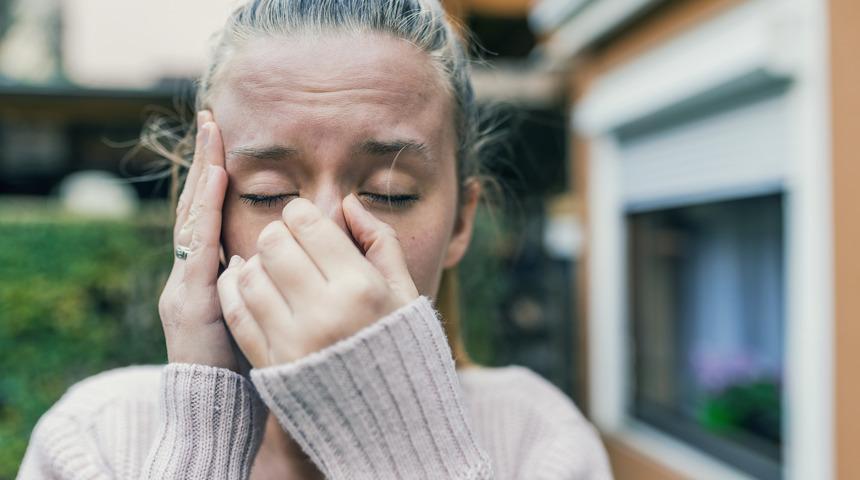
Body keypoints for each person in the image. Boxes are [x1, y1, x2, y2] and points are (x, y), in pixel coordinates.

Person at [16, 1, 612, 478]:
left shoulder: (540, 444)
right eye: (268, 192)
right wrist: (201, 437)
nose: (323, 236)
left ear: (461, 222)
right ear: (200, 212)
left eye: (390, 192)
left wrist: (405, 452)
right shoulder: (93, 442)